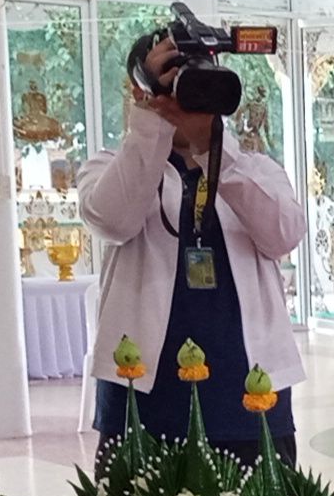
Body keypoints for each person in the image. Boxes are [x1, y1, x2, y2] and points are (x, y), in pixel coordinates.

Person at [81, 29, 307, 465]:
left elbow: (283, 234)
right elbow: (113, 219)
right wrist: (151, 125)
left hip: (247, 395)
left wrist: (212, 148)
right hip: (142, 396)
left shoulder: (256, 168)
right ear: (140, 91)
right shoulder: (108, 166)